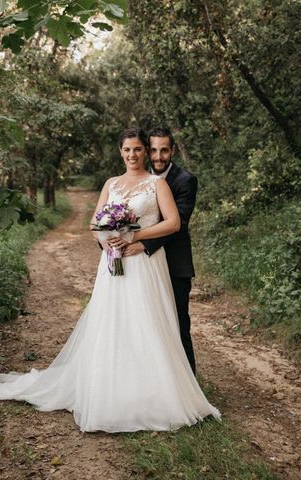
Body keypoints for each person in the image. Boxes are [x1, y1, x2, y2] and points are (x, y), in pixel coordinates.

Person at [0, 127, 219, 433]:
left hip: (145, 264)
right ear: (120, 152)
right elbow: (95, 223)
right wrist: (106, 240)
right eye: (126, 150)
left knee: (148, 323)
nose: (132, 155)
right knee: (114, 322)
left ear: (145, 151)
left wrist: (135, 236)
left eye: (137, 149)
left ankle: (155, 390)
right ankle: (111, 386)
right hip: (114, 262)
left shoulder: (158, 184)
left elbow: (173, 224)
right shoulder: (111, 183)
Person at [122, 126, 198, 374]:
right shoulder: (134, 179)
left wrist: (143, 242)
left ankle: (189, 383)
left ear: (172, 150)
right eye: (153, 150)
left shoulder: (185, 181)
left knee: (177, 323)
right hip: (141, 266)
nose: (158, 156)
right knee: (145, 325)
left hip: (174, 264)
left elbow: (178, 224)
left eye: (163, 150)